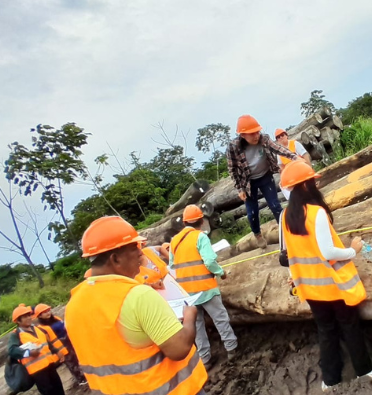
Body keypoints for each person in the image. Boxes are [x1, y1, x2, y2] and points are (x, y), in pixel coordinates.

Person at [65, 216, 207, 395]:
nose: (141, 253)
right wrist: (189, 316)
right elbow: (178, 349)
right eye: (135, 249)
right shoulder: (137, 297)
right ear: (115, 259)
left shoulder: (73, 305)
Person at [278, 161, 372, 392]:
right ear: (305, 185)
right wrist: (353, 250)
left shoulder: (284, 217)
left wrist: (294, 276)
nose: (316, 184)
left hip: (309, 287)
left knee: (326, 330)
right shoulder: (316, 213)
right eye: (313, 181)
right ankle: (365, 370)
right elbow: (327, 251)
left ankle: (330, 379)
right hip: (332, 284)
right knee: (349, 325)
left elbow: (289, 254)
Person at [170, 204, 237, 369]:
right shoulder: (200, 237)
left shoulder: (174, 241)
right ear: (201, 221)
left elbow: (172, 265)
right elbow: (209, 261)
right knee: (220, 318)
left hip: (187, 292)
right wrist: (221, 272)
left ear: (185, 223)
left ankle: (205, 358)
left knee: (197, 325)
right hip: (205, 287)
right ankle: (231, 349)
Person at [226, 114, 299, 248]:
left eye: (257, 132)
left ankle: (286, 232)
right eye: (252, 134)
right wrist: (240, 189)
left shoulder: (264, 139)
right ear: (243, 135)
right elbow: (232, 169)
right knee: (252, 213)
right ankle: (258, 235)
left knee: (275, 206)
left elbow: (278, 148)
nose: (256, 136)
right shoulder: (233, 147)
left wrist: (294, 157)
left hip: (265, 176)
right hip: (248, 183)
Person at [8, 304, 68, 395]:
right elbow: (12, 350)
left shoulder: (37, 329)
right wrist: (29, 353)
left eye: (29, 315)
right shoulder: (16, 335)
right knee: (48, 392)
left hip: (50, 365)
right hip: (37, 371)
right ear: (17, 321)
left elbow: (47, 344)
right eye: (24, 317)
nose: (28, 318)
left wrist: (57, 351)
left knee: (59, 389)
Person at [34, 303, 87, 386]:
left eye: (48, 310)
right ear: (39, 316)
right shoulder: (42, 327)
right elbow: (47, 341)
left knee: (78, 357)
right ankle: (80, 378)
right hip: (60, 345)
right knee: (71, 361)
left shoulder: (56, 318)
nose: (48, 313)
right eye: (44, 312)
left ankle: (85, 373)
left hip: (69, 339)